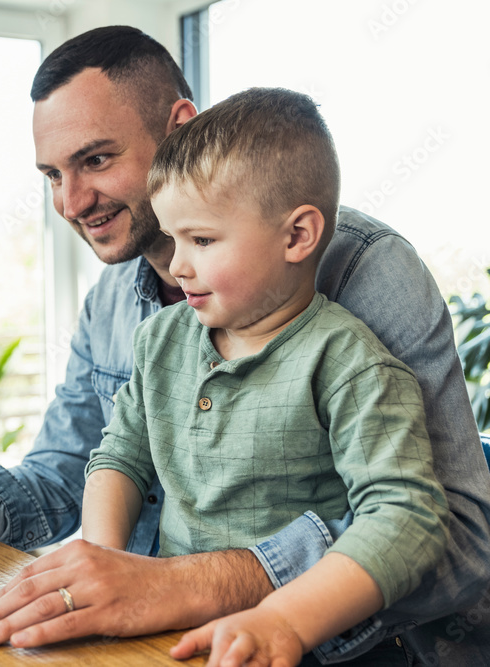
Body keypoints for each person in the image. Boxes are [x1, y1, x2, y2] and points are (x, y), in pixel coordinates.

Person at [0, 26, 490, 665]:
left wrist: (192, 584)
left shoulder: (363, 278)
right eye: (53, 175)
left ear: (180, 125)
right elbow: (62, 475)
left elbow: (456, 539)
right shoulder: (123, 302)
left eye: (94, 159)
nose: (70, 203)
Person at [82, 86, 449, 666]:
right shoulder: (160, 340)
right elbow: (120, 454)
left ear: (297, 236)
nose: (177, 265)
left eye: (201, 240)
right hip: (178, 642)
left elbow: (407, 520)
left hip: (318, 649)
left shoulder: (348, 362)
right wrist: (98, 562)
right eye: (174, 238)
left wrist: (284, 619)